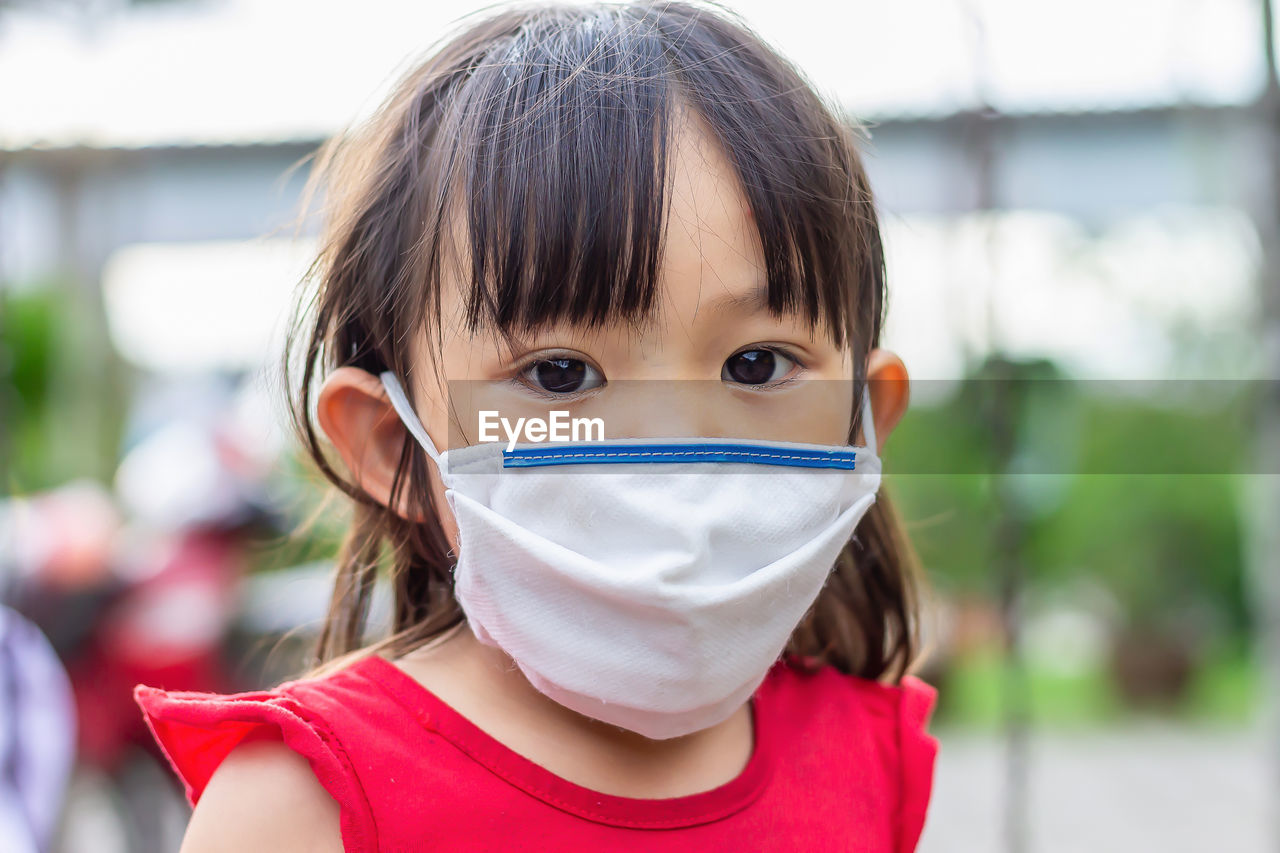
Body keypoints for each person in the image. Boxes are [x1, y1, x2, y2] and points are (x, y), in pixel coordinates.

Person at [133, 2, 940, 850]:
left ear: (863, 422)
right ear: (391, 442)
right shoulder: (301, 801)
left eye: (758, 365)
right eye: (560, 373)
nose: (667, 447)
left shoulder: (869, 753)